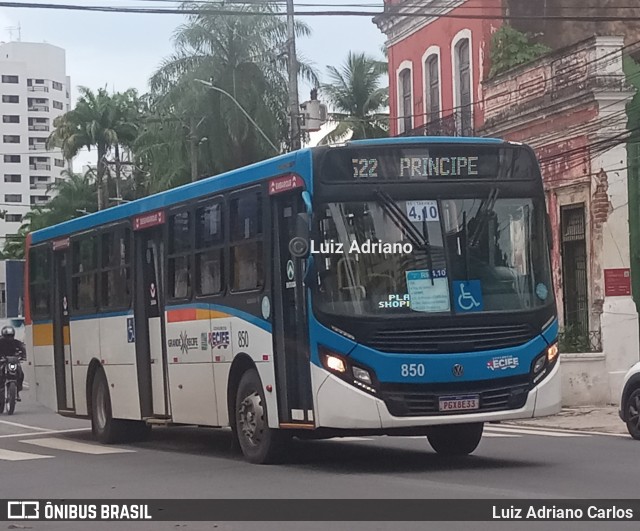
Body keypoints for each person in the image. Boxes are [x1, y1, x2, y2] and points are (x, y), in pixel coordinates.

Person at [0, 325, 26, 401]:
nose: (9, 338)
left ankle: (17, 391)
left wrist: (24, 355)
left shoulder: (16, 342)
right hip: (2, 361)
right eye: (7, 336)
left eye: (11, 336)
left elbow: (23, 347)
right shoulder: (0, 342)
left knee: (20, 373)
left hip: (13, 361)